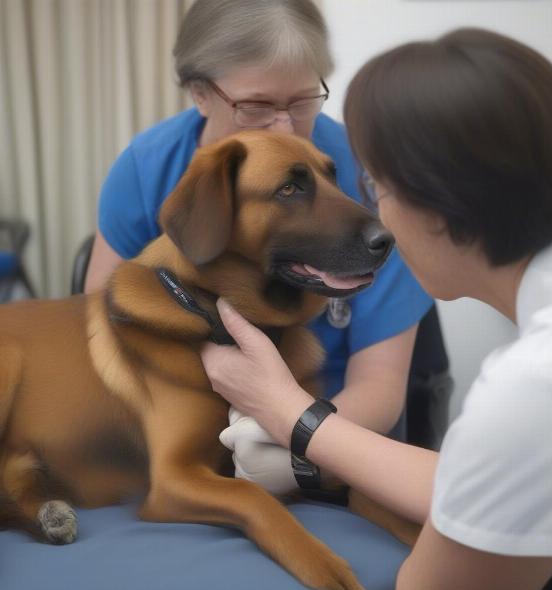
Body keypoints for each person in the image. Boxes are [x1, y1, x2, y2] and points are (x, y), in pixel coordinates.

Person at [199, 28, 552, 590]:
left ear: (437, 207)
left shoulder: (536, 388)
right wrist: (292, 415)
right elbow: (475, 482)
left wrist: (287, 412)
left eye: (374, 188)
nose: (371, 218)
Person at [85, 0, 432, 491]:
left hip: (331, 438)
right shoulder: (148, 168)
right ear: (200, 93)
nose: (285, 127)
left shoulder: (370, 180)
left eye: (303, 101)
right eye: (257, 107)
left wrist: (291, 442)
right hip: (178, 431)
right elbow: (103, 323)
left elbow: (380, 387)